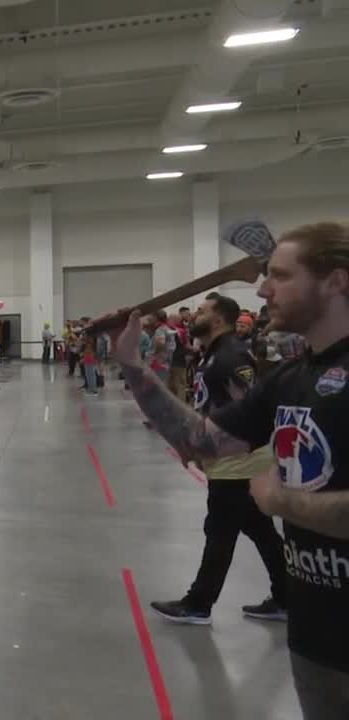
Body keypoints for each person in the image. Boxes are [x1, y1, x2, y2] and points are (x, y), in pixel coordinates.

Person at [108, 222, 349, 719]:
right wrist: (132, 364)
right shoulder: (290, 377)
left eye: (279, 276)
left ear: (336, 281)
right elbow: (201, 441)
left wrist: (281, 501)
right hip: (316, 636)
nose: (262, 290)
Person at [148, 293, 287, 625]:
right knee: (259, 529)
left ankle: (199, 602)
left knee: (220, 529)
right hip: (226, 458)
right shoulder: (213, 354)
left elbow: (251, 409)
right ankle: (288, 597)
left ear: (220, 319)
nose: (194, 315)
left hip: (237, 460)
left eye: (202, 311)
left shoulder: (232, 356)